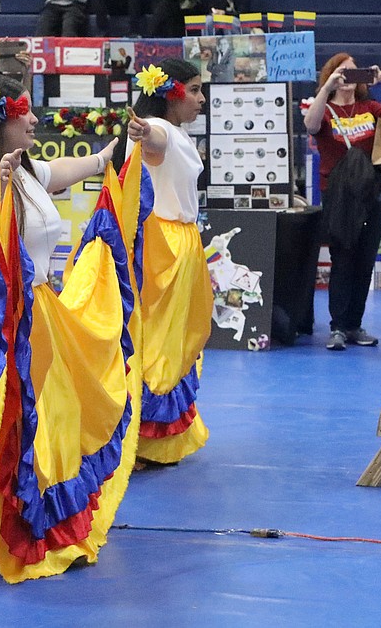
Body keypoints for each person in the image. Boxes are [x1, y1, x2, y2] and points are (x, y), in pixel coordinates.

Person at [0, 73, 139, 583]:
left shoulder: (23, 169)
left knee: (53, 420)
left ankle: (41, 517)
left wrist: (103, 158)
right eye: (23, 110)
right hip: (4, 323)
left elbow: (58, 171)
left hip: (41, 313)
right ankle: (2, 526)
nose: (33, 117)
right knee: (15, 420)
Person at [125, 59, 212, 464]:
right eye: (193, 90)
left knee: (175, 340)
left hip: (180, 243)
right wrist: (146, 133)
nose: (201, 98)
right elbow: (154, 140)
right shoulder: (160, 130)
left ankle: (160, 439)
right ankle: (144, 440)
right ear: (171, 94)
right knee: (161, 341)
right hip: (166, 247)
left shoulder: (177, 132)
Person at [304, 52, 381, 351]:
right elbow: (311, 125)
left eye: (353, 72)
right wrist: (327, 89)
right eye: (342, 72)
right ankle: (337, 326)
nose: (348, 78)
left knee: (364, 259)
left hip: (371, 194)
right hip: (338, 196)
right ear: (331, 75)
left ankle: (354, 325)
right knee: (343, 257)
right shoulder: (325, 109)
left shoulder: (370, 107)